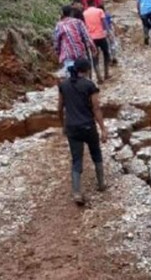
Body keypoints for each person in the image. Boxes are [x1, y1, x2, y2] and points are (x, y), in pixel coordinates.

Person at [58, 57, 108, 206]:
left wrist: (63, 125)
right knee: (96, 153)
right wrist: (103, 128)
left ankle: (76, 192)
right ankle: (101, 184)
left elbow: (60, 108)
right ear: (86, 70)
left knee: (76, 159)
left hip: (72, 128)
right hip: (87, 126)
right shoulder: (89, 85)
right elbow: (96, 107)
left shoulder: (64, 85)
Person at [53, 5, 96, 77]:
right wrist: (93, 47)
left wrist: (58, 52)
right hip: (80, 52)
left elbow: (57, 41)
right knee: (83, 74)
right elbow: (86, 36)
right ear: (71, 13)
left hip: (68, 54)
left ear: (62, 14)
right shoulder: (78, 22)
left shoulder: (59, 25)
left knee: (71, 76)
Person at [83, 0, 111, 84]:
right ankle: (106, 73)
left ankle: (99, 77)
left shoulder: (84, 13)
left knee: (95, 57)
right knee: (106, 53)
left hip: (91, 38)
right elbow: (104, 22)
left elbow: (84, 25)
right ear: (94, 3)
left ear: (87, 4)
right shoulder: (99, 11)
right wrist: (108, 31)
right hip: (101, 36)